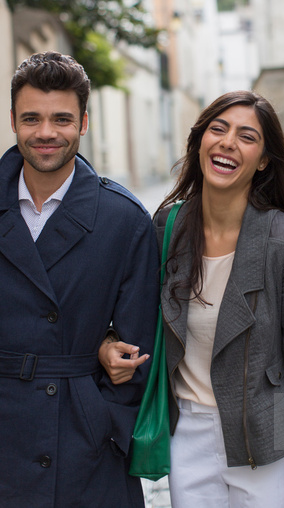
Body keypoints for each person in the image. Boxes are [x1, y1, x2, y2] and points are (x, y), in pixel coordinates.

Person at [100, 91, 284, 508]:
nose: (227, 142)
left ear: (262, 160)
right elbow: (132, 313)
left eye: (246, 136)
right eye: (217, 129)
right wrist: (109, 343)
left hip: (266, 439)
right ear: (199, 142)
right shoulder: (168, 226)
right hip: (188, 434)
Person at [0, 52, 158, 508]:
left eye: (62, 119)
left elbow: (137, 348)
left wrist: (105, 427)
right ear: (13, 121)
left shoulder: (122, 219)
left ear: (84, 123)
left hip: (86, 450)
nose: (46, 133)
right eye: (31, 118)